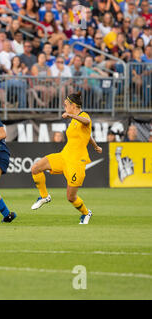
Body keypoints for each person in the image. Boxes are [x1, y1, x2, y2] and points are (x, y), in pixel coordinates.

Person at [30, 92, 103, 225]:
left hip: (76, 162)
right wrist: (95, 145)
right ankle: (44, 196)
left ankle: (86, 213)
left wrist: (70, 115)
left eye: (65, 105)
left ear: (73, 106)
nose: (64, 107)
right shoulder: (75, 120)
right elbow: (88, 134)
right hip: (64, 156)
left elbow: (87, 122)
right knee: (35, 168)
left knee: (70, 197)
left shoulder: (83, 116)